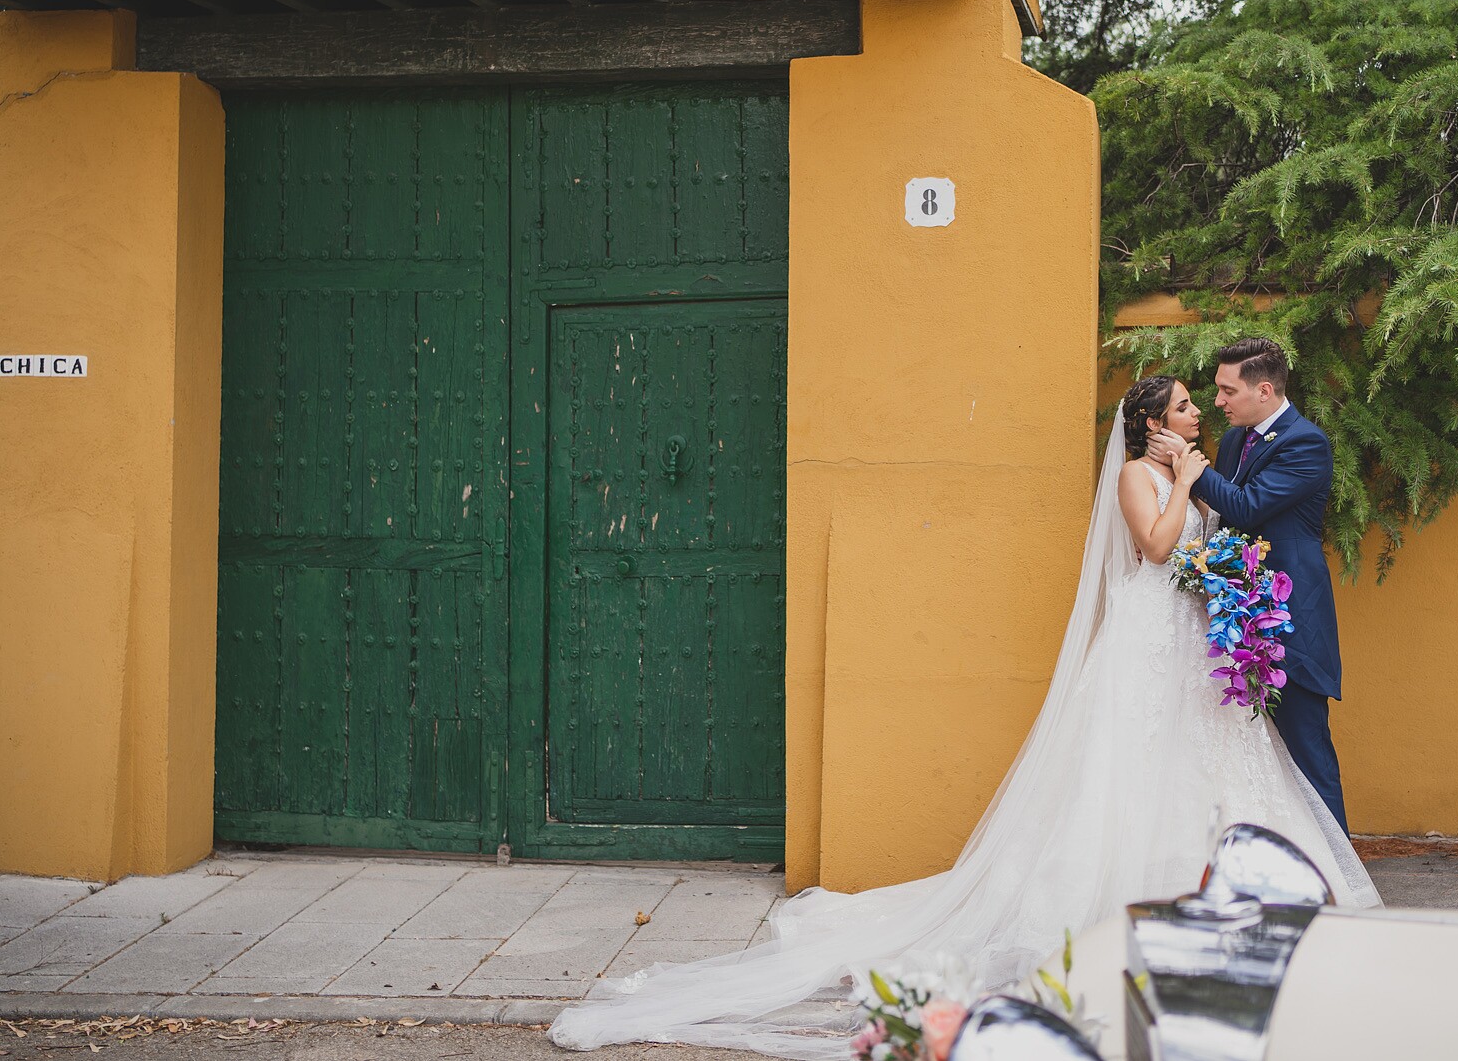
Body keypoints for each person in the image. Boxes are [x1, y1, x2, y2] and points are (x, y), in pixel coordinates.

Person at [549, 378, 1377, 1060]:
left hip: (1188, 641)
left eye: (1202, 402)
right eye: (1188, 406)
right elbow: (1158, 549)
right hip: (1146, 640)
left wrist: (1219, 554)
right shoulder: (1139, 475)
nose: (1201, 414)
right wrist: (1189, 485)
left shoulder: (1200, 463)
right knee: (1129, 765)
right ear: (1155, 425)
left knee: (1202, 762)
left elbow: (1200, 549)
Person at [1149, 338, 1349, 831]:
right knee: (1256, 759)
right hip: (1239, 616)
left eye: (1227, 390)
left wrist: (1188, 464)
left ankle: (1338, 870)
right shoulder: (1237, 439)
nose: (1217, 401)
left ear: (1263, 390)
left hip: (1290, 619)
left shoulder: (1305, 443)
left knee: (1306, 751)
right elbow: (1223, 520)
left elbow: (1247, 506)